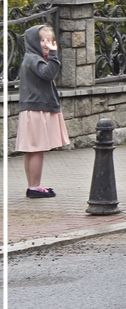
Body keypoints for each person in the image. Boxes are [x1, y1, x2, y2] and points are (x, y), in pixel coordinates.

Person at [16, 25, 70, 198]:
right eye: (42, 40)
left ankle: (33, 185)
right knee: (37, 149)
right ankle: (34, 187)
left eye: (49, 40)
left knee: (33, 150)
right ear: (33, 42)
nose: (47, 44)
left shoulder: (31, 58)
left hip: (32, 108)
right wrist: (54, 55)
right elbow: (48, 74)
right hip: (36, 109)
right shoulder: (34, 59)